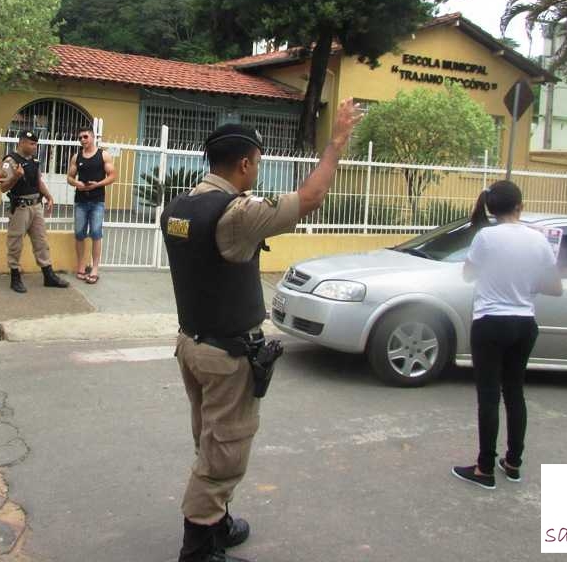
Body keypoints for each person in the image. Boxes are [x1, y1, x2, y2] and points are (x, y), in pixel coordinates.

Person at [162, 98, 361, 562]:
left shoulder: (180, 206)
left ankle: (218, 524)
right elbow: (309, 199)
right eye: (257, 163)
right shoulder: (236, 214)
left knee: (211, 439)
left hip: (192, 345)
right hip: (225, 355)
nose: (257, 171)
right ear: (245, 164)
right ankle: (199, 550)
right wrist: (335, 143)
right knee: (224, 453)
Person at [452, 180, 562, 490]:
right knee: (515, 393)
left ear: (490, 208)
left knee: (489, 396)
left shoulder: (486, 237)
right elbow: (555, 287)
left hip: (490, 322)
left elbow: (468, 275)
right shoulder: (539, 240)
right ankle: (513, 463)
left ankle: (484, 468)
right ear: (520, 207)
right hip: (524, 323)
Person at [0, 130, 69, 293]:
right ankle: (15, 277)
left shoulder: (33, 161)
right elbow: (3, 187)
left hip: (36, 206)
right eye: (32, 144)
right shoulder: (10, 161)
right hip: (20, 208)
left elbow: (38, 181)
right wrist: (15, 177)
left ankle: (48, 275)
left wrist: (49, 196)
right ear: (21, 143)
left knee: (41, 241)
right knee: (15, 243)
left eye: (36, 144)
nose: (35, 147)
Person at [66, 126, 116, 284]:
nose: (82, 140)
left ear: (93, 137)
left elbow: (113, 176)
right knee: (79, 234)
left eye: (85, 136)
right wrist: (77, 183)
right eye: (80, 137)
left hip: (97, 201)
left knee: (96, 234)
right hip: (80, 201)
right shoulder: (77, 157)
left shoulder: (103, 155)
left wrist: (97, 184)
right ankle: (81, 266)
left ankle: (94, 269)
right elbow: (69, 177)